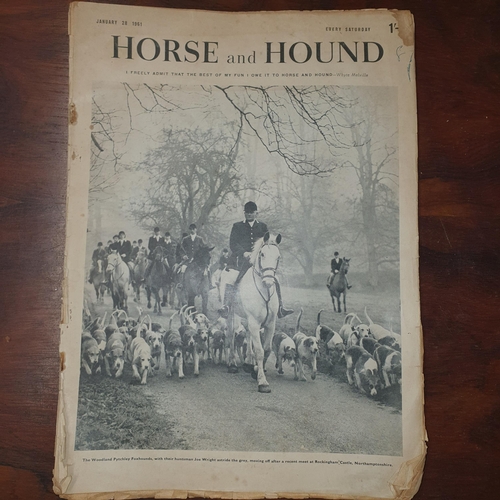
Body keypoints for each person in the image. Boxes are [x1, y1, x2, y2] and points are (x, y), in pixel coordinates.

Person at [218, 201, 293, 319]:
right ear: (244, 213)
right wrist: (244, 253)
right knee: (232, 279)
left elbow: (266, 244)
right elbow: (233, 243)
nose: (249, 215)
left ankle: (280, 308)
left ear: (256, 213)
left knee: (275, 279)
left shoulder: (263, 227)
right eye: (247, 212)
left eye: (251, 213)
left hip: (258, 262)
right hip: (241, 262)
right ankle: (226, 306)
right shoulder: (237, 226)